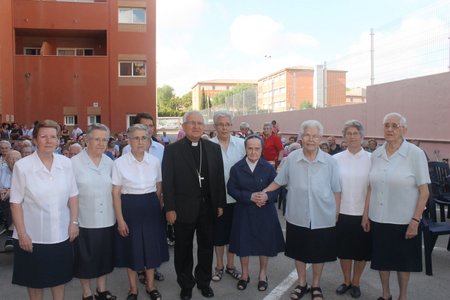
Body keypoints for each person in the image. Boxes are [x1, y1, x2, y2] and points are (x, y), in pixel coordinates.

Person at [264, 120, 341, 300]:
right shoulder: (291, 159)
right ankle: (301, 283)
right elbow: (279, 181)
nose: (311, 139)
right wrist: (263, 192)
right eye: (307, 135)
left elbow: (336, 189)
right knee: (298, 251)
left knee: (319, 253)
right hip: (297, 215)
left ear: (319, 138)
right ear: (302, 137)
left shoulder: (330, 161)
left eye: (314, 136)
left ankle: (315, 285)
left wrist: (336, 213)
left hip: (323, 215)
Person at [362, 113, 430, 300]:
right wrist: (366, 214)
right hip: (379, 217)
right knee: (382, 261)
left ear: (404, 130)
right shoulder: (376, 154)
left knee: (403, 263)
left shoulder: (414, 154)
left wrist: (415, 220)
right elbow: (371, 187)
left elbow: (424, 191)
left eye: (395, 126)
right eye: (387, 125)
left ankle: (403, 296)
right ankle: (385, 294)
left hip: (404, 220)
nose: (390, 129)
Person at [10, 120, 79, 300]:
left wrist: (74, 222)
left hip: (60, 234)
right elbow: (15, 202)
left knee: (59, 280)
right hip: (32, 237)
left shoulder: (66, 164)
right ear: (34, 140)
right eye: (43, 136)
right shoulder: (23, 167)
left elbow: (73, 195)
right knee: (34, 282)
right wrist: (22, 234)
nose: (49, 141)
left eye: (53, 137)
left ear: (58, 140)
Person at [162, 111, 226, 300]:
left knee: (206, 247)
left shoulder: (213, 149)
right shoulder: (173, 150)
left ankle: (204, 282)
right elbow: (168, 182)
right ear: (184, 126)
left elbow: (219, 178)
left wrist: (220, 203)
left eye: (200, 123)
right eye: (192, 123)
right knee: (183, 249)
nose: (196, 126)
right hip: (182, 209)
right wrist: (170, 208)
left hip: (208, 207)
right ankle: (186, 284)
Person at [112, 124, 169, 300]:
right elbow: (115, 193)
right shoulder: (119, 163)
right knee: (132, 249)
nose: (140, 141)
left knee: (150, 249)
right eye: (136, 138)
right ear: (128, 140)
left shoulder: (154, 162)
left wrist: (156, 207)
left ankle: (151, 286)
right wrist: (120, 220)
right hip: (129, 207)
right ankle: (133, 289)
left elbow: (159, 188)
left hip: (151, 207)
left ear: (148, 140)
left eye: (144, 138)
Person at [227, 134, 285, 292]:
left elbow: (277, 187)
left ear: (262, 149)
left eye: (257, 149)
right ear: (245, 149)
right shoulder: (237, 168)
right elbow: (231, 189)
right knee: (243, 244)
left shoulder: (268, 167)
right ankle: (244, 275)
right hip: (244, 211)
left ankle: (262, 274)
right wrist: (249, 196)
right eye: (250, 148)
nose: (253, 152)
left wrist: (267, 196)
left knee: (264, 244)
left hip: (264, 212)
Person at [71, 124, 117, 300]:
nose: (101, 143)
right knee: (85, 259)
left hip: (107, 218)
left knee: (103, 256)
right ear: (86, 140)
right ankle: (87, 292)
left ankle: (101, 290)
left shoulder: (110, 162)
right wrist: (73, 221)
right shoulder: (74, 163)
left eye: (104, 139)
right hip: (84, 219)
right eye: (96, 139)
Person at [121, 112, 165, 283]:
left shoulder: (160, 149)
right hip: (132, 200)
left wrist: (160, 200)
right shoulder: (127, 150)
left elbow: (161, 179)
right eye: (144, 125)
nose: (148, 129)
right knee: (136, 241)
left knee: (151, 240)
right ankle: (139, 270)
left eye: (150, 126)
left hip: (152, 200)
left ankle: (151, 271)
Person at [333, 120, 372, 299]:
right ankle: (346, 280)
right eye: (348, 133)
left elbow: (373, 188)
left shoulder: (372, 159)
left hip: (363, 214)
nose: (352, 136)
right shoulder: (335, 159)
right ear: (344, 137)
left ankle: (356, 282)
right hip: (342, 212)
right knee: (344, 250)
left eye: (356, 133)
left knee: (361, 251)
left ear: (362, 137)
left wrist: (367, 214)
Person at [210, 111, 246, 283]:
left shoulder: (241, 144)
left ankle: (231, 266)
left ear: (231, 126)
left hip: (237, 199)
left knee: (233, 235)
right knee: (218, 236)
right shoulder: (208, 145)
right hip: (217, 200)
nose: (224, 128)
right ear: (215, 126)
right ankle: (219, 267)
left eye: (227, 124)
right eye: (220, 124)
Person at [0, 150, 22, 251]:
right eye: (11, 159)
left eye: (17, 159)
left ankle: (10, 234)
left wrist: (11, 191)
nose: (14, 161)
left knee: (13, 204)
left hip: (18, 200)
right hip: (2, 198)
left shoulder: (24, 171)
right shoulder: (2, 170)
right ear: (6, 160)